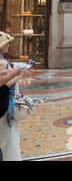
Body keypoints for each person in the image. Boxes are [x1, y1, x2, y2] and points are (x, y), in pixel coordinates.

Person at [0, 32, 31, 161]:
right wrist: (17, 75)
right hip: (4, 107)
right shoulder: (2, 62)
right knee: (7, 139)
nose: (8, 45)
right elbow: (4, 84)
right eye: (6, 43)